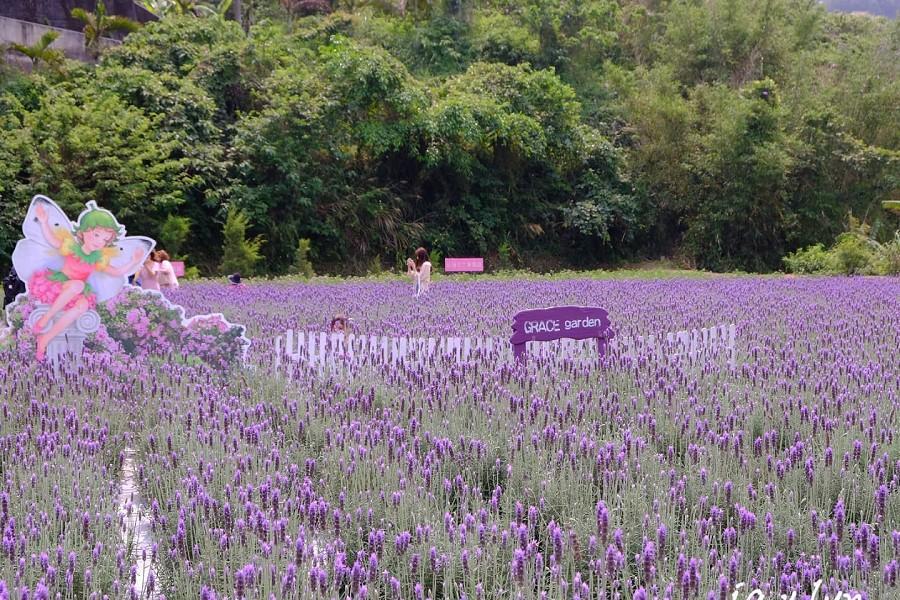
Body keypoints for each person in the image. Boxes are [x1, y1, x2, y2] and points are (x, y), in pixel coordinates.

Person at [26, 202, 146, 359]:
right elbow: (52, 241)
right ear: (83, 232)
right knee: (77, 284)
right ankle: (46, 317)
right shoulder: (71, 247)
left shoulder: (97, 259)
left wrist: (133, 261)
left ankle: (45, 339)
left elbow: (117, 272)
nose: (99, 242)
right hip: (58, 284)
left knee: (82, 305)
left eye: (104, 240)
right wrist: (44, 222)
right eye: (96, 235)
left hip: (75, 290)